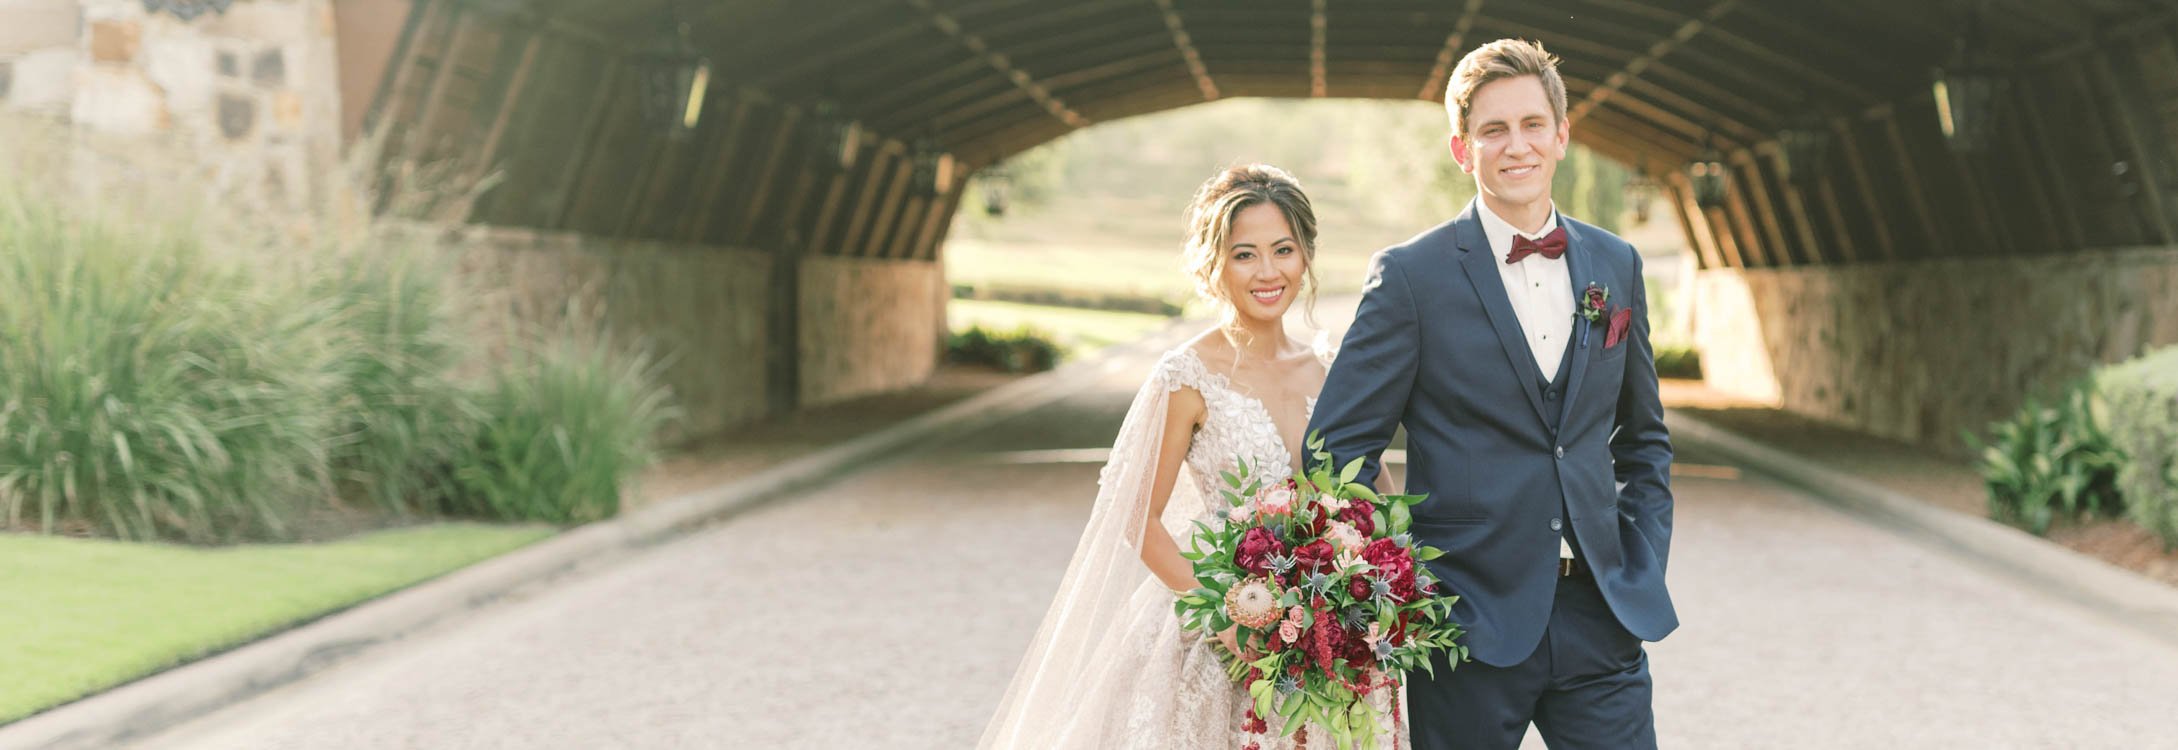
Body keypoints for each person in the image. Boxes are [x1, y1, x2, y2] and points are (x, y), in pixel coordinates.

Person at [1305, 38, 1679, 750]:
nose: (1517, 147)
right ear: (1461, 148)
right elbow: (1334, 448)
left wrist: (1640, 557)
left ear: (1562, 136)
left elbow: (1644, 438)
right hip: (1465, 629)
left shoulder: (1616, 263)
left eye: (1534, 125)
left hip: (1603, 615)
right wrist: (1404, 576)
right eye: (1493, 130)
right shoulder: (1413, 277)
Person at [980, 164, 1399, 748]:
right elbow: (1136, 514)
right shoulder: (1187, 376)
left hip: (1324, 636)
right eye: (1244, 255)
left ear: (1306, 256)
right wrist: (1228, 617)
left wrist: (1367, 578)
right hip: (1217, 631)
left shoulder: (1331, 372)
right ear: (1214, 263)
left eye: (1284, 249)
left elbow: (1373, 498)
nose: (1268, 271)